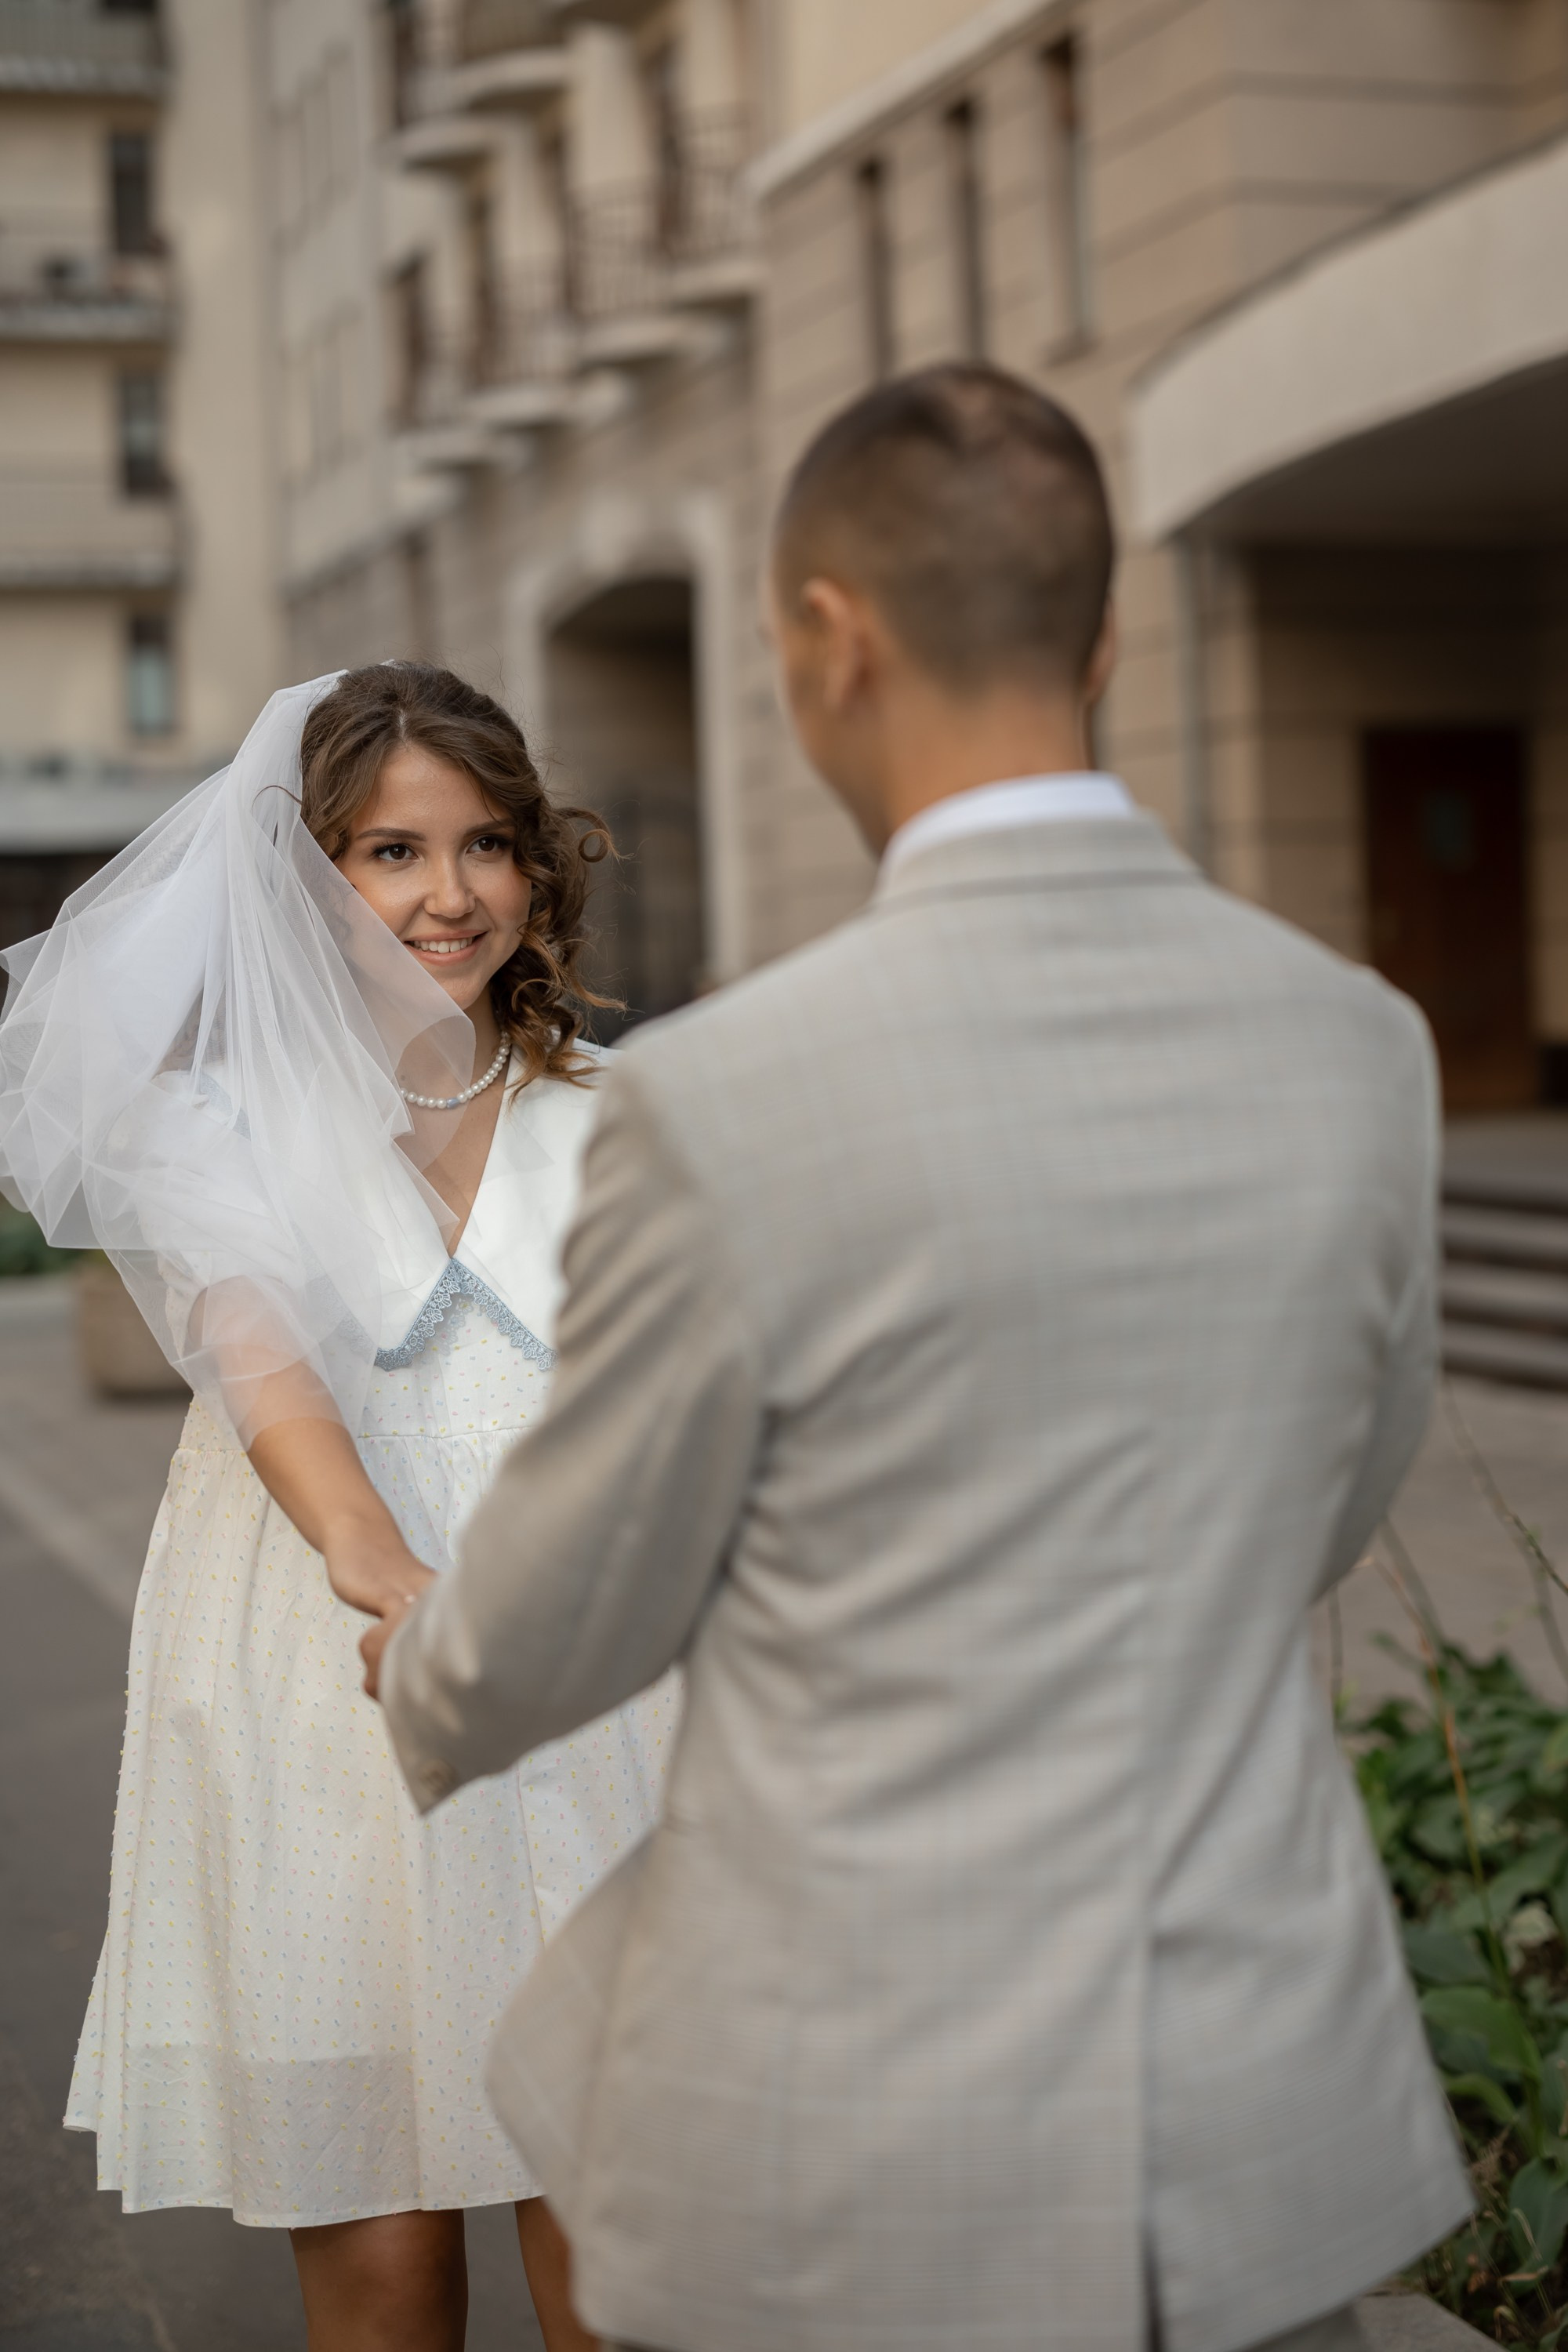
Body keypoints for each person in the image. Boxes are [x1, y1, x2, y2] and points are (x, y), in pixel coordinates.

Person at [371, 366, 1472, 2352]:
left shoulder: (723, 1100)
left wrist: (426, 1671)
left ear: (826, 640)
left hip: (867, 2134)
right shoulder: (1360, 1042)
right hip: (1249, 2120)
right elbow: (1333, 1497)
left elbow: (565, 1611)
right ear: (1106, 633)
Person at [0, 663, 677, 2352]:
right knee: (379, 2263)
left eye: (485, 845)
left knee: (622, 2247)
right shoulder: (210, 1124)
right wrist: (393, 1580)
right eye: (389, 851)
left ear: (537, 866)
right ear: (306, 878)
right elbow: (271, 1383)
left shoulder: (625, 1120)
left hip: (589, 1699)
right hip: (321, 1684)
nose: (448, 895)